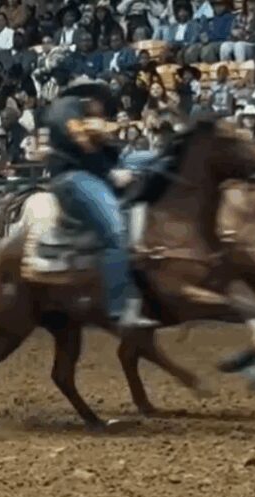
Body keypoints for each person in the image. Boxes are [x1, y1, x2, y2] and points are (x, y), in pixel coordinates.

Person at [43, 82, 158, 328]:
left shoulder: (86, 118)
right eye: (102, 101)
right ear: (89, 98)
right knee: (116, 232)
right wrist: (112, 175)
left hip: (94, 171)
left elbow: (108, 151)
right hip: (72, 177)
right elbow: (81, 140)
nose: (104, 107)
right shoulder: (66, 107)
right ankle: (119, 308)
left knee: (155, 159)